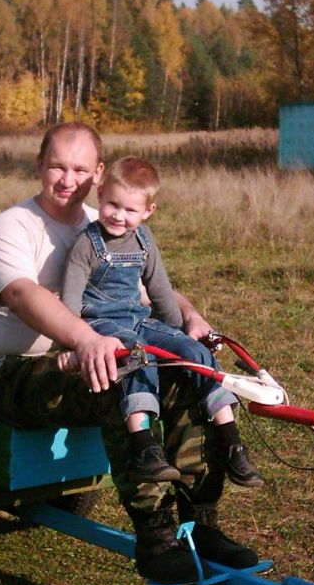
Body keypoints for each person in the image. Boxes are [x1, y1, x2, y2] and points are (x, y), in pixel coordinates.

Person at [0, 122, 260, 585]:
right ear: (38, 165)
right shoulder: (13, 225)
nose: (67, 179)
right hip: (25, 370)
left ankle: (202, 523)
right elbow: (21, 295)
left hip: (102, 349)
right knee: (113, 376)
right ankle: (156, 538)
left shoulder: (108, 220)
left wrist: (188, 316)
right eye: (56, 166)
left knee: (185, 375)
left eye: (79, 169)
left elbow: (145, 291)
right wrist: (85, 340)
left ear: (98, 172)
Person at [58, 156, 262, 491]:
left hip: (137, 319)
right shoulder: (87, 244)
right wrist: (71, 346)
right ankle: (145, 447)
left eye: (130, 210)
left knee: (194, 352)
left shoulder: (144, 240)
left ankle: (230, 441)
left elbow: (160, 291)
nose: (119, 216)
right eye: (112, 204)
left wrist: (178, 333)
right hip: (100, 324)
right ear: (100, 196)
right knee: (139, 356)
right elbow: (69, 299)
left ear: (148, 211)